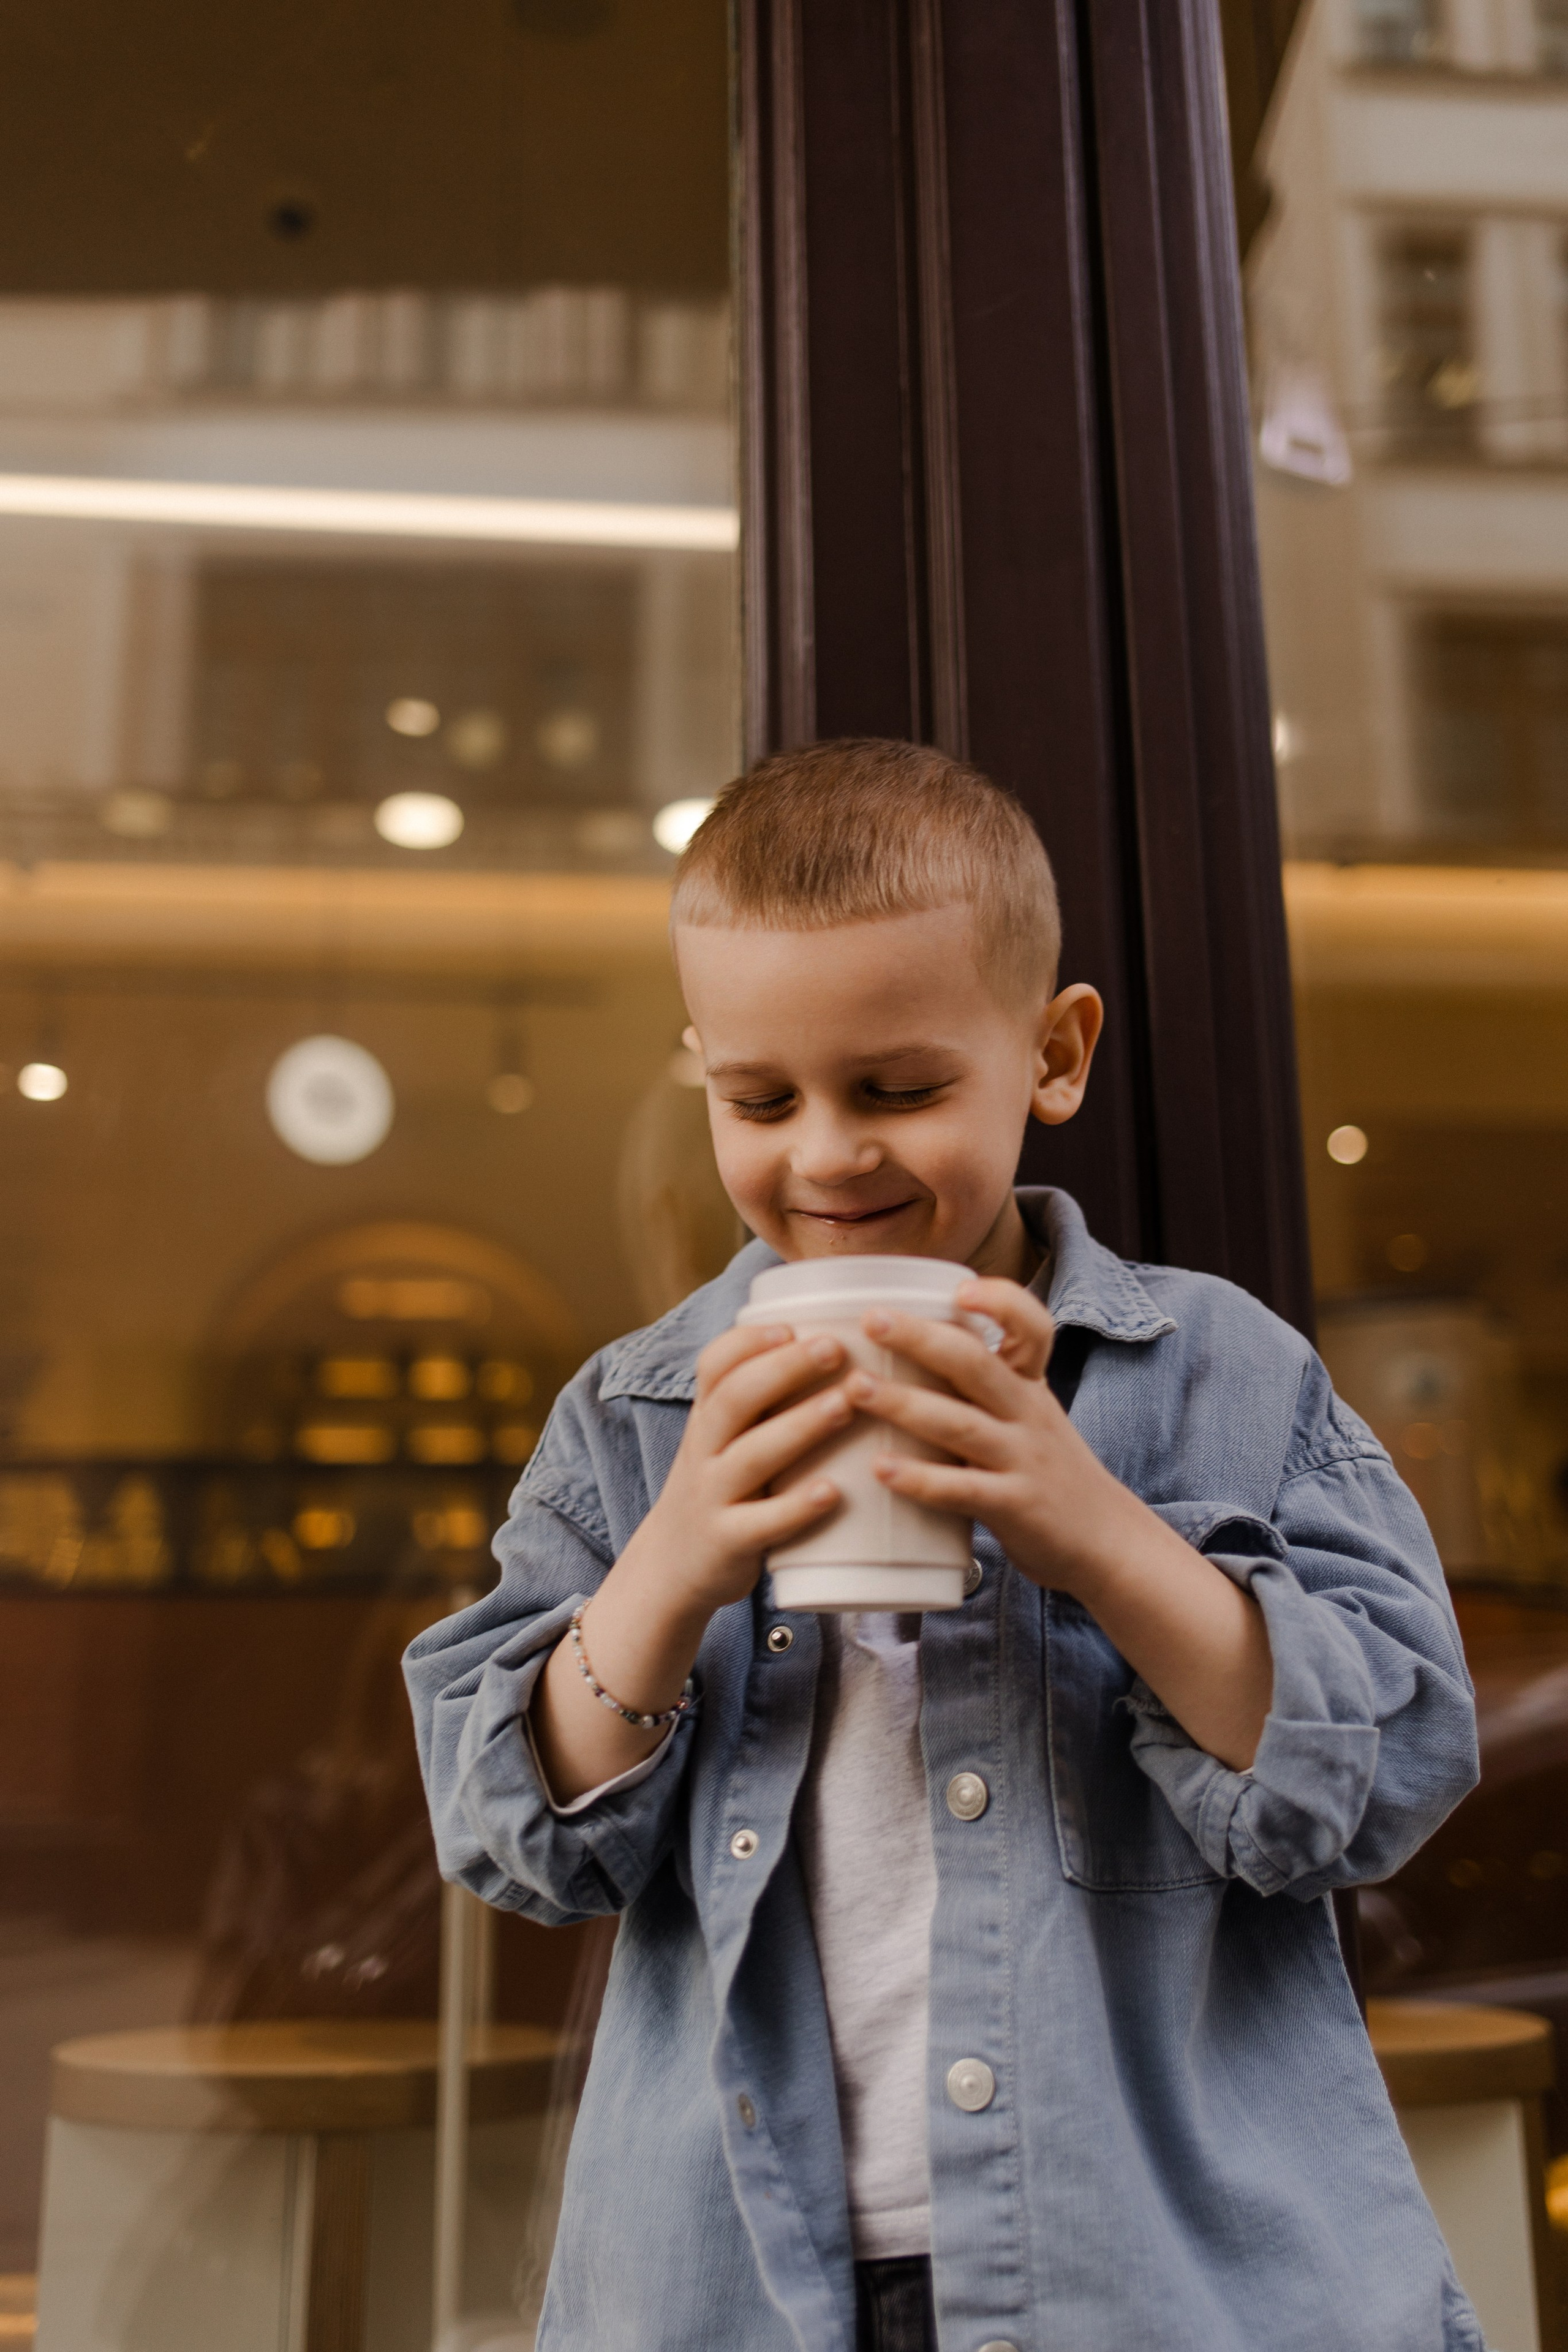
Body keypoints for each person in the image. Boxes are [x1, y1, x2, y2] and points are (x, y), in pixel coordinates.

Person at [404, 738, 1481, 2352]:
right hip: (739, 2286)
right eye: (759, 1098)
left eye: (897, 1089)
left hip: (1165, 2284)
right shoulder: (633, 1419)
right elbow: (516, 1840)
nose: (827, 1153)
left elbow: (1391, 1769)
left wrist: (1097, 1532)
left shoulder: (1226, 1378)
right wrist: (675, 1560)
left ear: (1051, 1055)